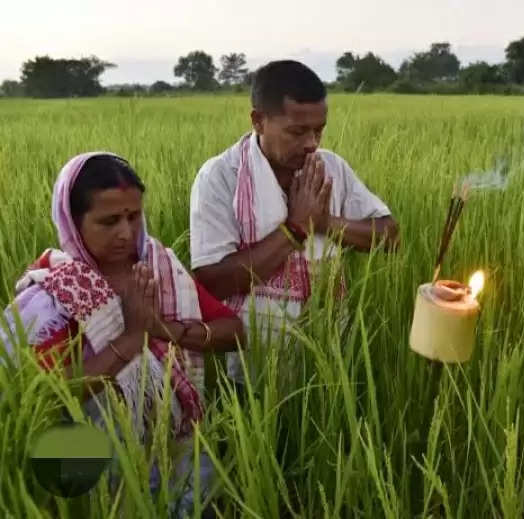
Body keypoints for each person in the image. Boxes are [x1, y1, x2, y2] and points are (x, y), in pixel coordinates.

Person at [0, 152, 245, 515]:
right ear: (73, 222)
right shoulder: (56, 294)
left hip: (176, 450)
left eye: (133, 216)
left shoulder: (161, 269)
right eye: (109, 221)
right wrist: (131, 339)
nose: (126, 233)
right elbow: (40, 395)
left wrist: (167, 329)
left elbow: (234, 331)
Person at [189, 60, 399, 383]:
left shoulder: (331, 169)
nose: (312, 143)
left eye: (319, 129)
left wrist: (325, 222)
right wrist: (296, 229)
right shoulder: (221, 177)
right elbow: (211, 280)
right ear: (259, 121)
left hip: (329, 356)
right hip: (252, 369)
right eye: (297, 131)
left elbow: (390, 236)